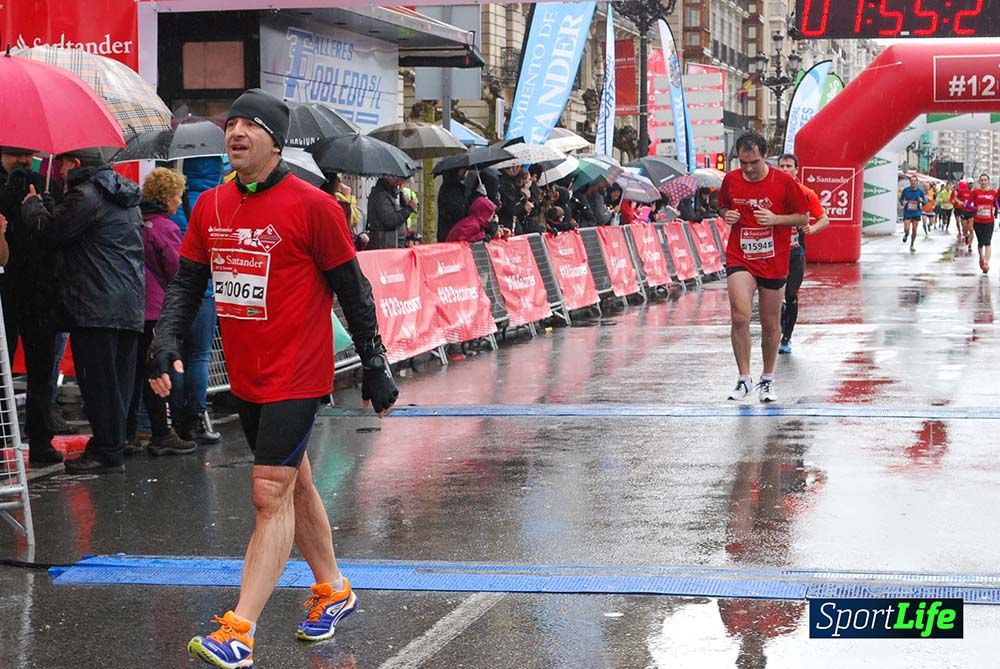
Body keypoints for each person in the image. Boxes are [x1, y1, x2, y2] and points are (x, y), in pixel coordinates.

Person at [146, 88, 398, 669]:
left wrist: (375, 361)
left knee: (268, 494)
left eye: (250, 127)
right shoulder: (210, 205)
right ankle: (333, 588)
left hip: (298, 371)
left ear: (275, 140)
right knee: (296, 483)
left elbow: (352, 290)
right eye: (230, 126)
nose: (235, 135)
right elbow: (185, 284)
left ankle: (240, 630)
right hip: (248, 371)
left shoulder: (314, 206)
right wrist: (162, 341)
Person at [22, 147, 145, 473]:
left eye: (62, 163)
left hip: (95, 304)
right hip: (128, 304)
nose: (59, 171)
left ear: (75, 164)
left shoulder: (86, 194)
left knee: (99, 384)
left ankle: (105, 451)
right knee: (118, 383)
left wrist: (33, 206)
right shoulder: (121, 195)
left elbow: (49, 233)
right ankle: (113, 447)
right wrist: (52, 207)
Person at [717, 132, 808, 403]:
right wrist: (726, 215)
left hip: (774, 258)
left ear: (765, 154)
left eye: (753, 162)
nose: (748, 168)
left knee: (769, 324)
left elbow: (803, 217)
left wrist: (776, 219)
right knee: (740, 317)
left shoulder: (784, 182)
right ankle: (744, 379)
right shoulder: (731, 180)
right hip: (740, 256)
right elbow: (722, 206)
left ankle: (767, 379)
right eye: (743, 162)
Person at [126, 167, 197, 456]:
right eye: (178, 196)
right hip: (156, 309)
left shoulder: (136, 221)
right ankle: (161, 433)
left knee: (133, 375)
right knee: (158, 374)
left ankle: (128, 433)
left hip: (133, 307)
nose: (180, 202)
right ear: (167, 197)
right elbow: (177, 269)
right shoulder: (166, 228)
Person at [0, 146, 63, 464]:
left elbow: (57, 235)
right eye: (15, 155)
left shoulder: (44, 182)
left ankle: (41, 439)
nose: (23, 161)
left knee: (42, 370)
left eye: (28, 154)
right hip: (5, 290)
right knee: (2, 367)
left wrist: (48, 209)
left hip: (40, 290)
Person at [776, 154, 830, 355]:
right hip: (774, 251)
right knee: (773, 294)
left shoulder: (807, 193)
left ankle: (787, 338)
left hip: (795, 251)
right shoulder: (771, 191)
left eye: (789, 166)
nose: (785, 169)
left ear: (797, 170)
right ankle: (780, 319)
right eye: (781, 165)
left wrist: (812, 229)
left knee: (791, 294)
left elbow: (824, 219)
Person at [366, 176, 415, 249]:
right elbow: (391, 220)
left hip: (390, 242)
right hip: (384, 244)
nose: (399, 181)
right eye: (395, 177)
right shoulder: (381, 196)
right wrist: (408, 209)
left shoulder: (388, 194)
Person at [970, 173, 999, 274]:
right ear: (979, 182)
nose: (983, 182)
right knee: (980, 242)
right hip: (978, 221)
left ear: (988, 181)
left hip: (989, 221)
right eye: (981, 180)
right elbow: (968, 204)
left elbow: (995, 203)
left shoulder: (992, 192)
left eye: (985, 180)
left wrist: (998, 208)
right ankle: (981, 257)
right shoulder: (975, 192)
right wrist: (974, 209)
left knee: (988, 242)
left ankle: (986, 263)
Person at [437, 167, 470, 242]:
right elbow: (458, 212)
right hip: (451, 235)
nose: (465, 170)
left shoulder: (456, 188)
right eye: (462, 168)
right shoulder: (449, 190)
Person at [898, 175, 925, 252]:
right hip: (908, 212)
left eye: (914, 181)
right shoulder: (906, 190)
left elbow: (924, 201)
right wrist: (903, 202)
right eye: (912, 181)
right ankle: (906, 234)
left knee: (914, 229)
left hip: (916, 212)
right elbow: (901, 199)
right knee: (907, 228)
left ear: (917, 182)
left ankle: (912, 244)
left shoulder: (920, 191)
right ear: (910, 182)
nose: (913, 182)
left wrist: (921, 201)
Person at [954, 180, 976, 252]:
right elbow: (956, 198)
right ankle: (966, 236)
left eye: (972, 184)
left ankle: (970, 245)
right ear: (967, 184)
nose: (970, 185)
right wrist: (959, 201)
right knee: (965, 229)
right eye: (969, 184)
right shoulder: (963, 191)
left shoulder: (975, 192)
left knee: (971, 229)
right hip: (964, 212)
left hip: (972, 213)